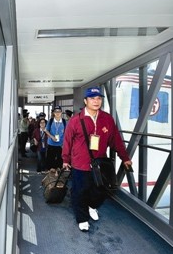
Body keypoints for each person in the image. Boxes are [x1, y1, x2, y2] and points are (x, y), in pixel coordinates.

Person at [62, 87, 132, 232]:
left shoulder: (107, 119)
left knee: (102, 190)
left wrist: (124, 157)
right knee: (80, 191)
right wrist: (65, 159)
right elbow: (67, 141)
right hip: (80, 164)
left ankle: (92, 206)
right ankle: (82, 218)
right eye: (92, 98)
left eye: (99, 98)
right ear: (85, 101)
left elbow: (116, 140)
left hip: (100, 163)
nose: (96, 101)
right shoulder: (76, 120)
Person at [44, 105, 67, 170]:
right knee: (50, 161)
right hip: (51, 144)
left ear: (61, 112)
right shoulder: (50, 121)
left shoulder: (64, 122)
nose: (57, 113)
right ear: (54, 113)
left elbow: (67, 133)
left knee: (60, 161)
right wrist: (52, 137)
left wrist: (64, 143)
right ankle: (51, 176)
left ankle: (58, 177)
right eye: (56, 112)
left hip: (60, 145)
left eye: (59, 111)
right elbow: (46, 130)